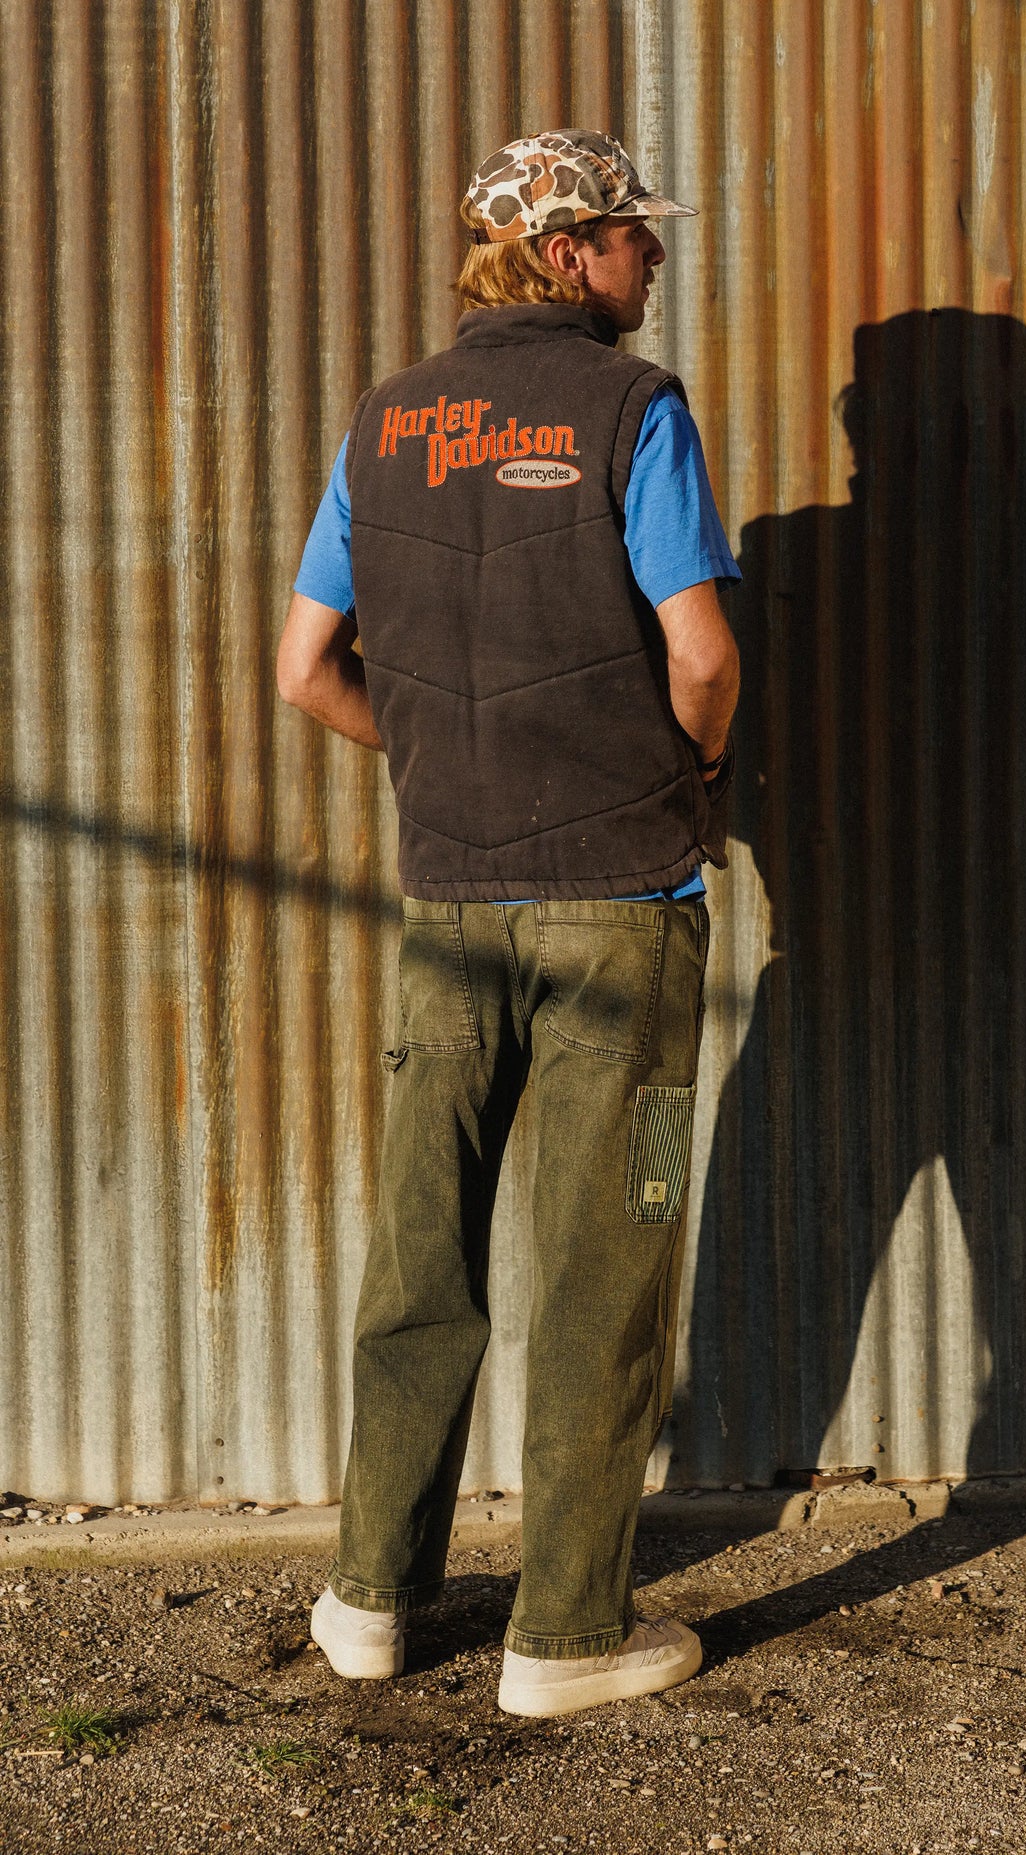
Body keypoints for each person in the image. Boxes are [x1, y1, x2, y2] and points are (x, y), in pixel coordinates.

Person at [276, 129, 739, 1718]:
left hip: (449, 906)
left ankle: (369, 1603)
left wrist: (448, 764)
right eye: (627, 235)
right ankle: (564, 1640)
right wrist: (688, 771)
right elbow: (700, 652)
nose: (650, 257)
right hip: (630, 906)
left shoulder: (385, 419)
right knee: (607, 1262)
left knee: (421, 1256)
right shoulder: (636, 408)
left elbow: (303, 670)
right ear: (563, 256)